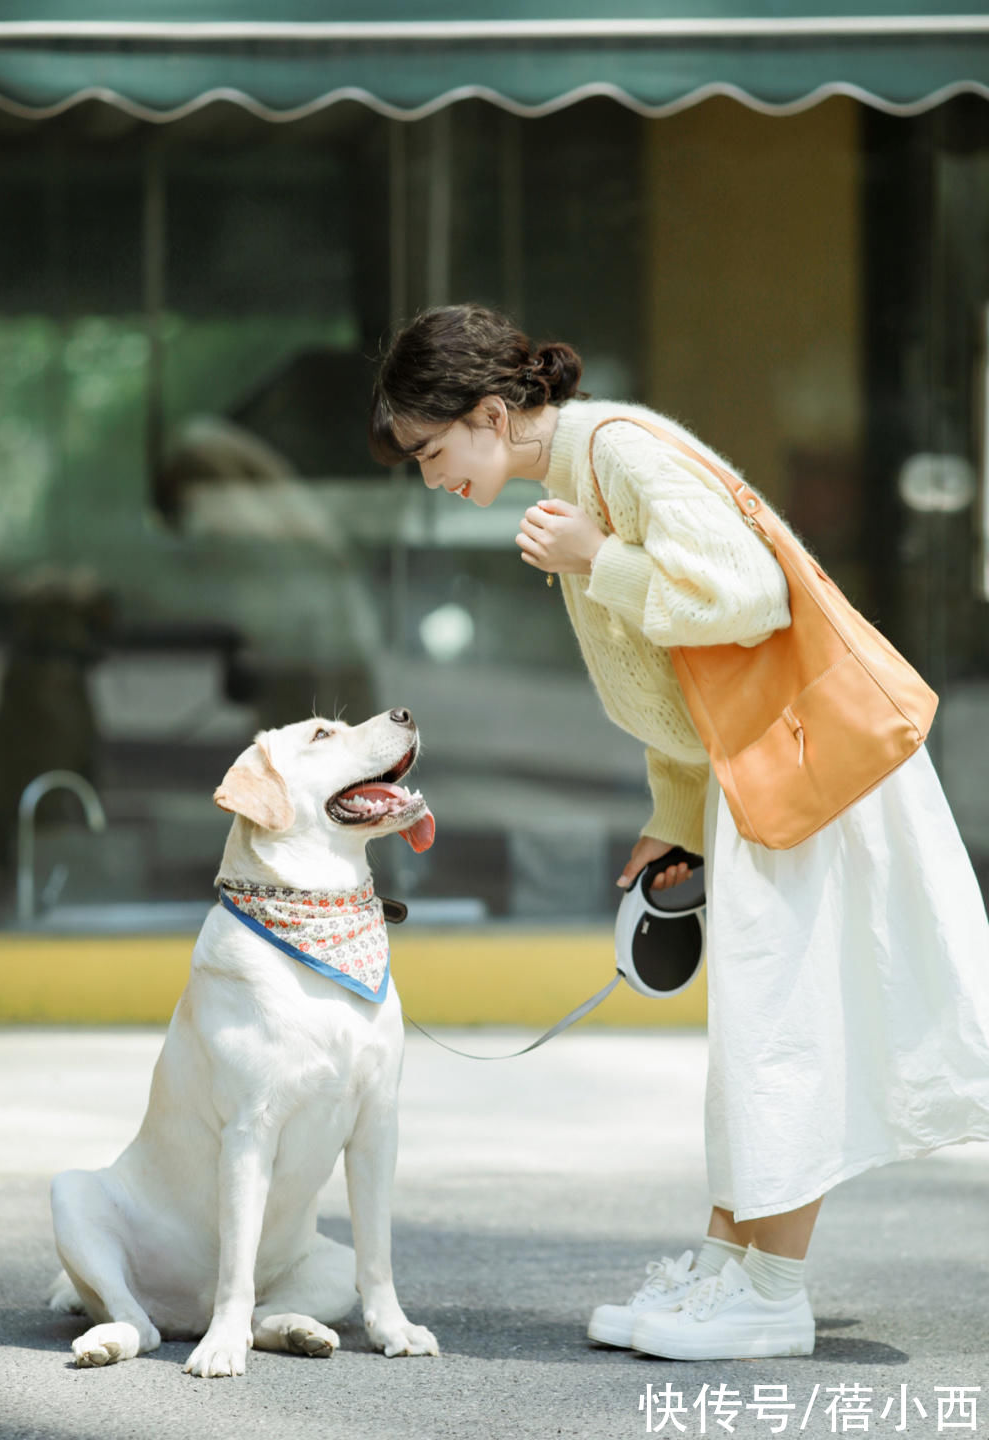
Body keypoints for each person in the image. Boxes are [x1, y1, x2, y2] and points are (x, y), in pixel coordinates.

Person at [367, 302, 989, 1362]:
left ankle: (771, 1293)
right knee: (761, 1030)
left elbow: (742, 601)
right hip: (766, 775)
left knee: (783, 1032)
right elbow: (675, 681)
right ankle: (731, 1268)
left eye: (431, 451)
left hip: (809, 772)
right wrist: (674, 818)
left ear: (487, 412)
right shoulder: (582, 478)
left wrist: (597, 556)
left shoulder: (613, 457)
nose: (429, 477)